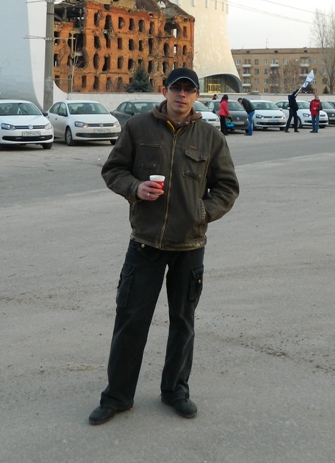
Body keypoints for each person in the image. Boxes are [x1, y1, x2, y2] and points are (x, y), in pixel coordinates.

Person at [89, 67, 239, 425]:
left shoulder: (210, 137)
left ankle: (175, 391)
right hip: (146, 243)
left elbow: (227, 187)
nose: (181, 95)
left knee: (183, 322)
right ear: (164, 90)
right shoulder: (138, 128)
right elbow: (113, 170)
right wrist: (135, 188)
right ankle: (117, 396)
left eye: (188, 90)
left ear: (197, 96)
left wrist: (203, 212)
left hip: (190, 244)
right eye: (176, 88)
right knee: (130, 321)